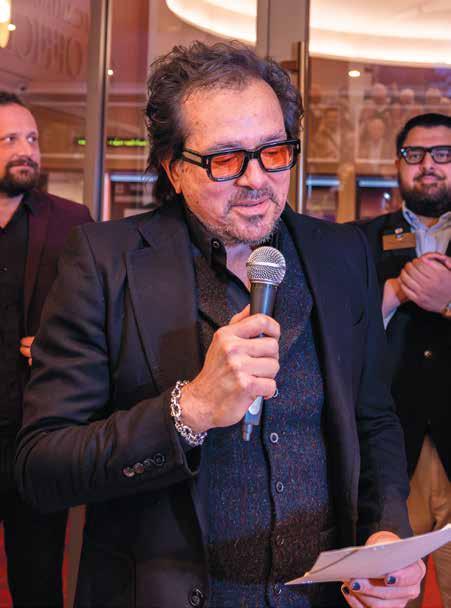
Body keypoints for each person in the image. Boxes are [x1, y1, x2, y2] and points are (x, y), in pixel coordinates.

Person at [16, 42, 424, 608]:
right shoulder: (105, 263)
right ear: (173, 168)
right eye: (226, 159)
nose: (257, 179)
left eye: (274, 151)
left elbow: (374, 420)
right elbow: (42, 466)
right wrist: (191, 410)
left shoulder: (342, 254)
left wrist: (386, 533)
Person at [0, 92, 92, 606]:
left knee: (38, 582)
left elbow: (101, 316)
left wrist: (61, 342)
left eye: (32, 138)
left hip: (36, 435)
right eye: (10, 139)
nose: (25, 150)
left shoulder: (72, 220)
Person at [356, 113, 451, 608]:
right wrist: (393, 292)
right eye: (415, 154)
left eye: (443, 154)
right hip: (388, 449)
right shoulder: (358, 240)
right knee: (389, 592)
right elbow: (337, 327)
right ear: (398, 164)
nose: (428, 164)